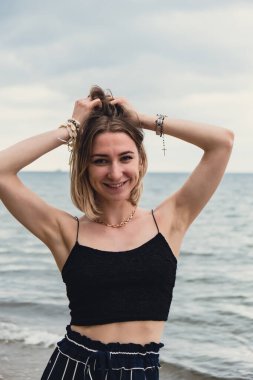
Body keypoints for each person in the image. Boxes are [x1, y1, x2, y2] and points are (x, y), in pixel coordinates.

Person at [0, 85, 234, 380]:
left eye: (125, 157)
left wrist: (141, 120)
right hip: (74, 368)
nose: (115, 172)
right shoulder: (65, 231)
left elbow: (222, 143)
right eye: (100, 160)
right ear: (84, 166)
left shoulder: (169, 221)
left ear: (140, 160)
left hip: (141, 370)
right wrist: (72, 127)